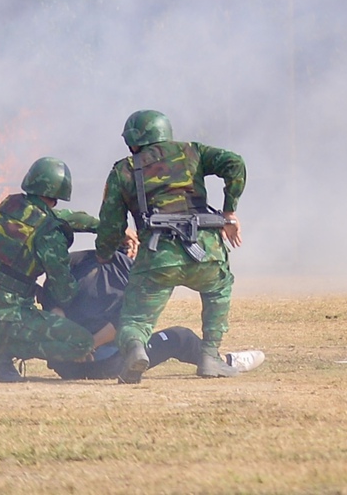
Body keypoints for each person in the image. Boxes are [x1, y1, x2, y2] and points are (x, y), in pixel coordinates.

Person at [94, 109, 246, 381]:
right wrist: (229, 211)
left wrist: (104, 254)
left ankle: (136, 350)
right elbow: (235, 163)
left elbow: (110, 225)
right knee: (218, 290)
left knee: (135, 320)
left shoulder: (123, 171)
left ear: (133, 141)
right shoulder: (193, 152)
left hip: (157, 258)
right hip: (207, 254)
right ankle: (210, 356)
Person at [0, 156, 112, 381]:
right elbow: (64, 291)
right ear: (57, 197)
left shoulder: (7, 207)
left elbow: (62, 218)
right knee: (81, 342)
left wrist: (102, 227)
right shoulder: (49, 233)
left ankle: (2, 347)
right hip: (3, 312)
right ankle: (0, 353)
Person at [44, 247, 265, 380]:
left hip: (66, 366)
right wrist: (89, 344)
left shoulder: (74, 262)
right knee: (180, 337)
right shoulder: (132, 271)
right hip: (108, 365)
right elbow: (124, 322)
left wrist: (70, 342)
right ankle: (227, 361)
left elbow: (53, 305)